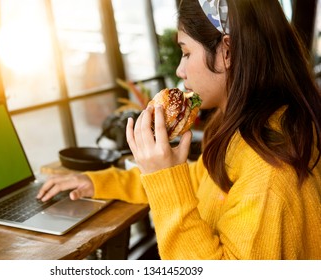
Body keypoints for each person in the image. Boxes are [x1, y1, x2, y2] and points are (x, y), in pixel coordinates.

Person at [37, 0, 321, 259]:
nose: (179, 71)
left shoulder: (270, 168)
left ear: (227, 52)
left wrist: (163, 174)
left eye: (186, 52)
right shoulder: (247, 128)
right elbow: (200, 181)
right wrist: (99, 183)